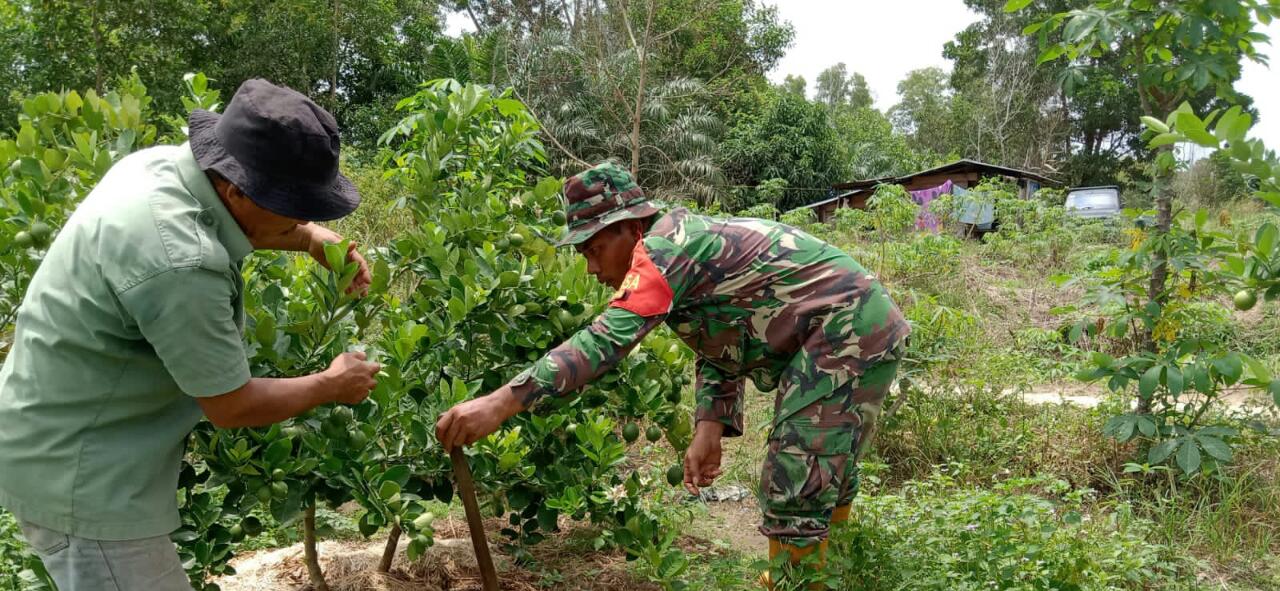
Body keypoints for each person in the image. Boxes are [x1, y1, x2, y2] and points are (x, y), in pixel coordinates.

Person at [435, 162, 910, 587]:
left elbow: (604, 341)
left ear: (630, 227)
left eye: (596, 249)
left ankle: (801, 579)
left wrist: (502, 401)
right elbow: (722, 340)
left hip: (847, 327)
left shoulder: (665, 249)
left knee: (798, 468)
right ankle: (828, 569)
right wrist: (709, 430)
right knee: (824, 464)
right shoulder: (677, 247)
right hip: (859, 324)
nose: (593, 268)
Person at [0, 79, 381, 590]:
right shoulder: (180, 261)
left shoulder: (161, 167)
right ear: (234, 188)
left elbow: (226, 221)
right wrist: (331, 383)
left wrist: (306, 237)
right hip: (82, 478)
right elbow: (232, 405)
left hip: (60, 430)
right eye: (293, 206)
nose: (304, 216)